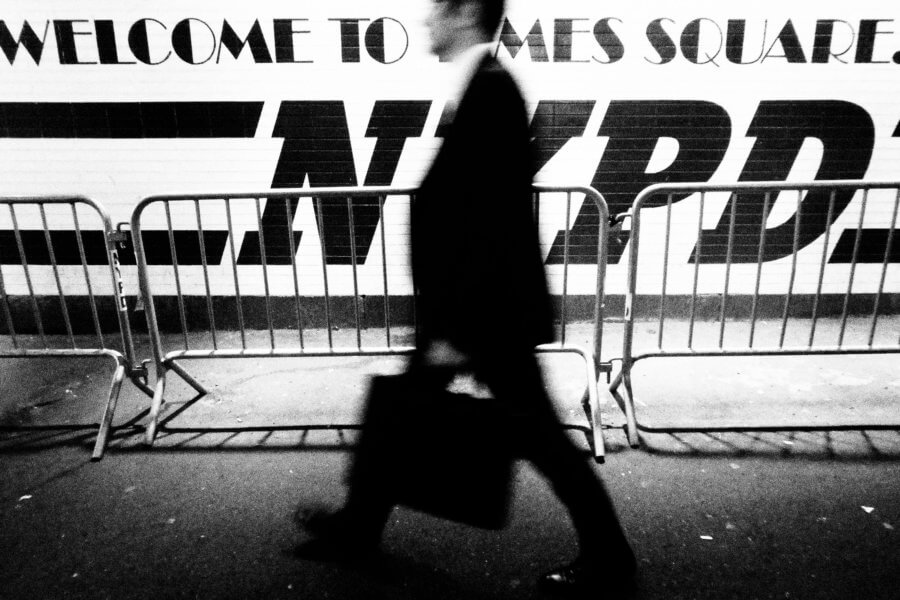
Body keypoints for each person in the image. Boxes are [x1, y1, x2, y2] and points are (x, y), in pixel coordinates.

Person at [295, 0, 637, 595]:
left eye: (436, 11)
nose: (426, 22)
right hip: (473, 308)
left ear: (466, 14)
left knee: (539, 438)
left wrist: (456, 328)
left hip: (481, 314)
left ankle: (610, 558)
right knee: (402, 413)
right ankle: (358, 526)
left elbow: (487, 220)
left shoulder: (493, 91)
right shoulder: (483, 85)